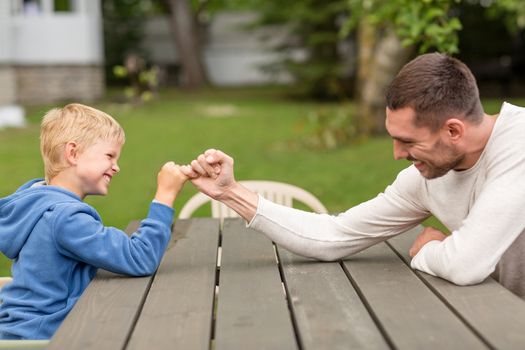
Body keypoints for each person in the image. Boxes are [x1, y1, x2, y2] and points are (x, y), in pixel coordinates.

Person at [181, 53, 525, 299]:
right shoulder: (425, 178)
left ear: (453, 130)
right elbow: (333, 235)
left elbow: (465, 266)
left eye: (408, 142)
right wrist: (231, 193)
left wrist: (429, 250)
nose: (397, 155)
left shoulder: (519, 143)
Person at [0, 103, 187, 339]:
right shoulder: (65, 217)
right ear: (73, 153)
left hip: (22, 330)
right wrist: (165, 196)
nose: (116, 167)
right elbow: (140, 258)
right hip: (48, 337)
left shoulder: (36, 201)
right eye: (109, 155)